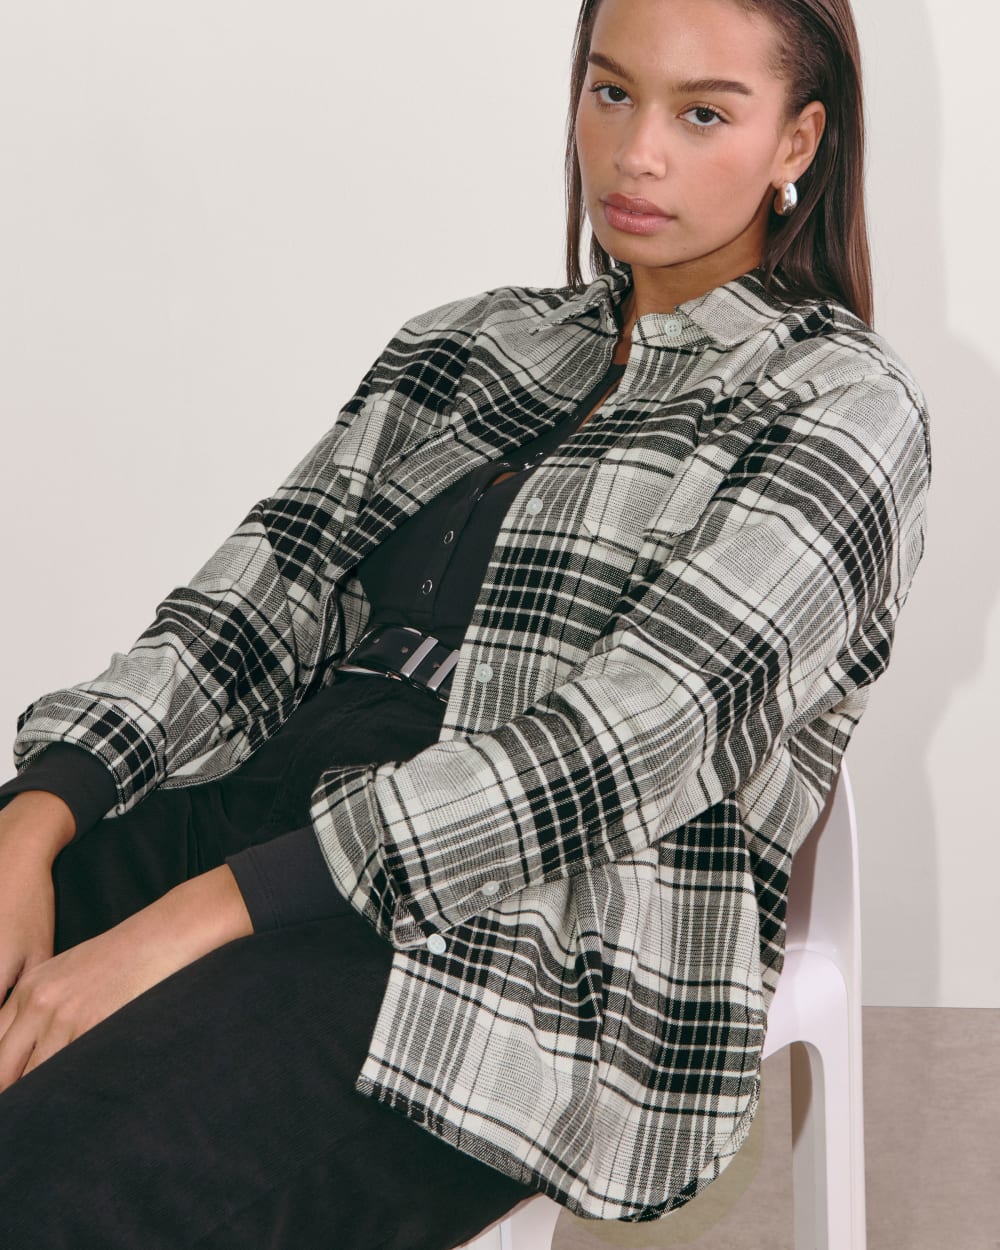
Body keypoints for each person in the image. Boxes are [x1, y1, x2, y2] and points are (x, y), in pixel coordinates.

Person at [0, 0, 930, 1245]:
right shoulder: (466, 343)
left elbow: (619, 744)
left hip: (514, 933)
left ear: (797, 141)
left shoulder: (840, 407)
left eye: (703, 113)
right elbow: (246, 605)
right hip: (266, 809)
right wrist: (38, 816)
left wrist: (185, 920)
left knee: (54, 1186)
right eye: (611, 91)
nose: (636, 152)